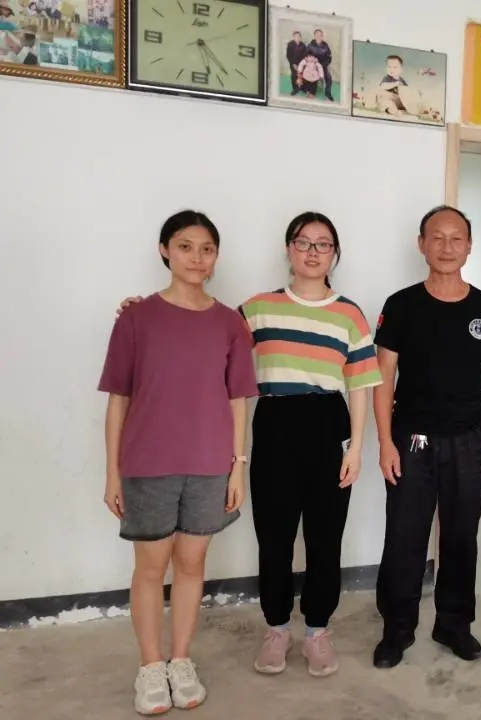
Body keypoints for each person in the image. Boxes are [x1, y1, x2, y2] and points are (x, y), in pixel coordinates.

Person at [114, 212, 381, 680]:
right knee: (274, 536)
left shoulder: (349, 314)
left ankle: (317, 631)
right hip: (274, 423)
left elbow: (360, 384)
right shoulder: (256, 309)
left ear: (335, 253)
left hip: (327, 426)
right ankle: (276, 628)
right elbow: (202, 331)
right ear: (288, 249)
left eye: (323, 244)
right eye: (303, 242)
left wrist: (357, 447)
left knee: (326, 536)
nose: (313, 252)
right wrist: (138, 312)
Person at [98, 210, 258, 716]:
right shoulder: (136, 318)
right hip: (147, 463)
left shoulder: (230, 322)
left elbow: (238, 399)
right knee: (150, 568)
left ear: (216, 257)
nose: (196, 257)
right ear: (165, 250)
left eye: (207, 249)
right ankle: (150, 666)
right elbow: (119, 399)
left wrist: (237, 465)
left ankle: (180, 660)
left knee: (192, 565)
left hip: (209, 464)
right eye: (185, 246)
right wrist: (112, 472)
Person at [372, 205, 481, 669]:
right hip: (411, 440)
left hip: (469, 439)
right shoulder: (401, 305)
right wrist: (384, 442)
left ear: (469, 246)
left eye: (456, 239)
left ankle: (454, 625)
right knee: (404, 537)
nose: (447, 247)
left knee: (460, 537)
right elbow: (383, 377)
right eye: (437, 237)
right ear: (421, 244)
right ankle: (397, 629)